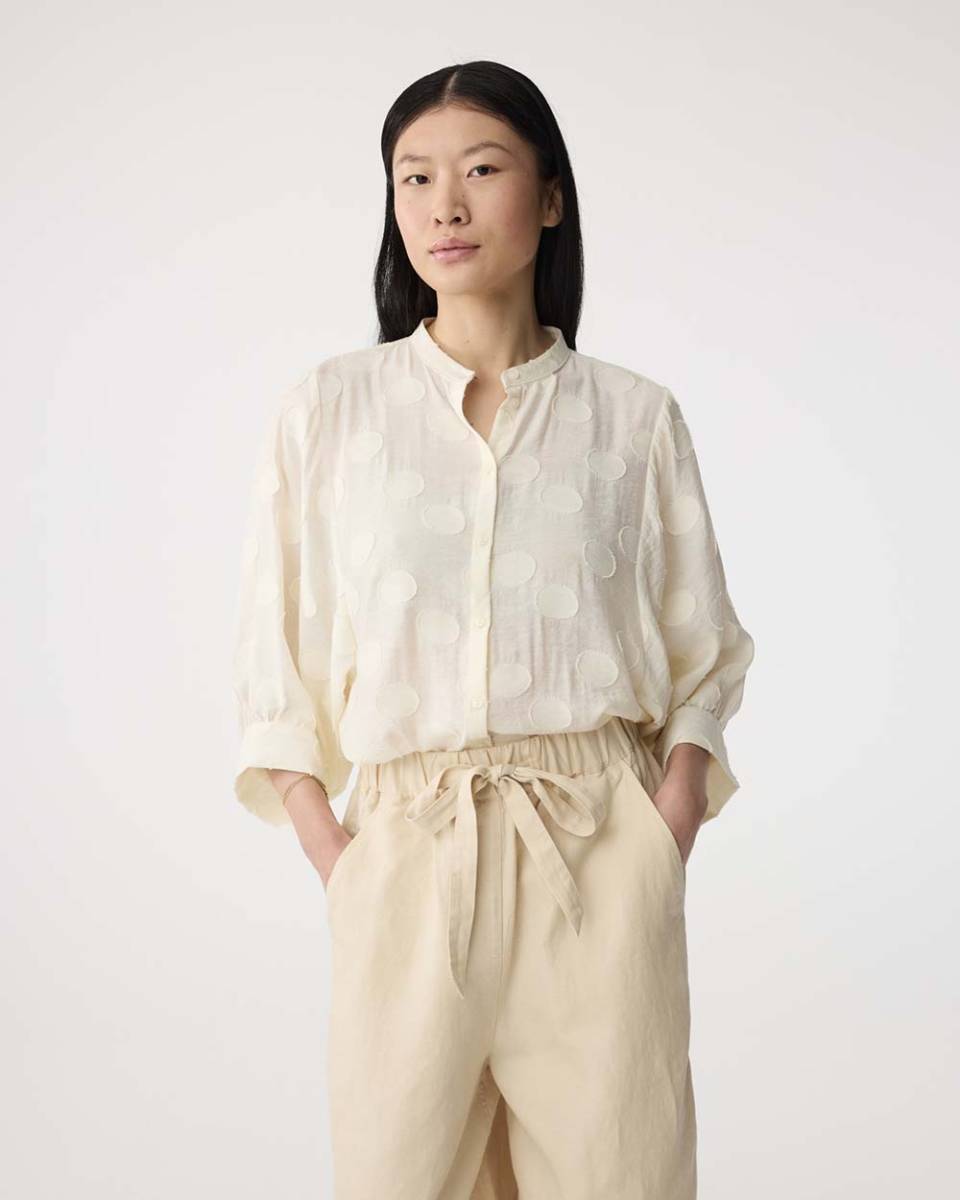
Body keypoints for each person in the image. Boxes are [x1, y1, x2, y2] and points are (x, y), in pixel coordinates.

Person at [231, 59, 756, 1200]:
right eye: (414, 178)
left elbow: (703, 655)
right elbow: (274, 665)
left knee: (620, 1176)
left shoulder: (634, 419)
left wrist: (661, 831)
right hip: (405, 861)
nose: (445, 206)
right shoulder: (331, 412)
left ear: (551, 196)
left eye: (481, 169)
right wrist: (342, 862)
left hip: (595, 854)